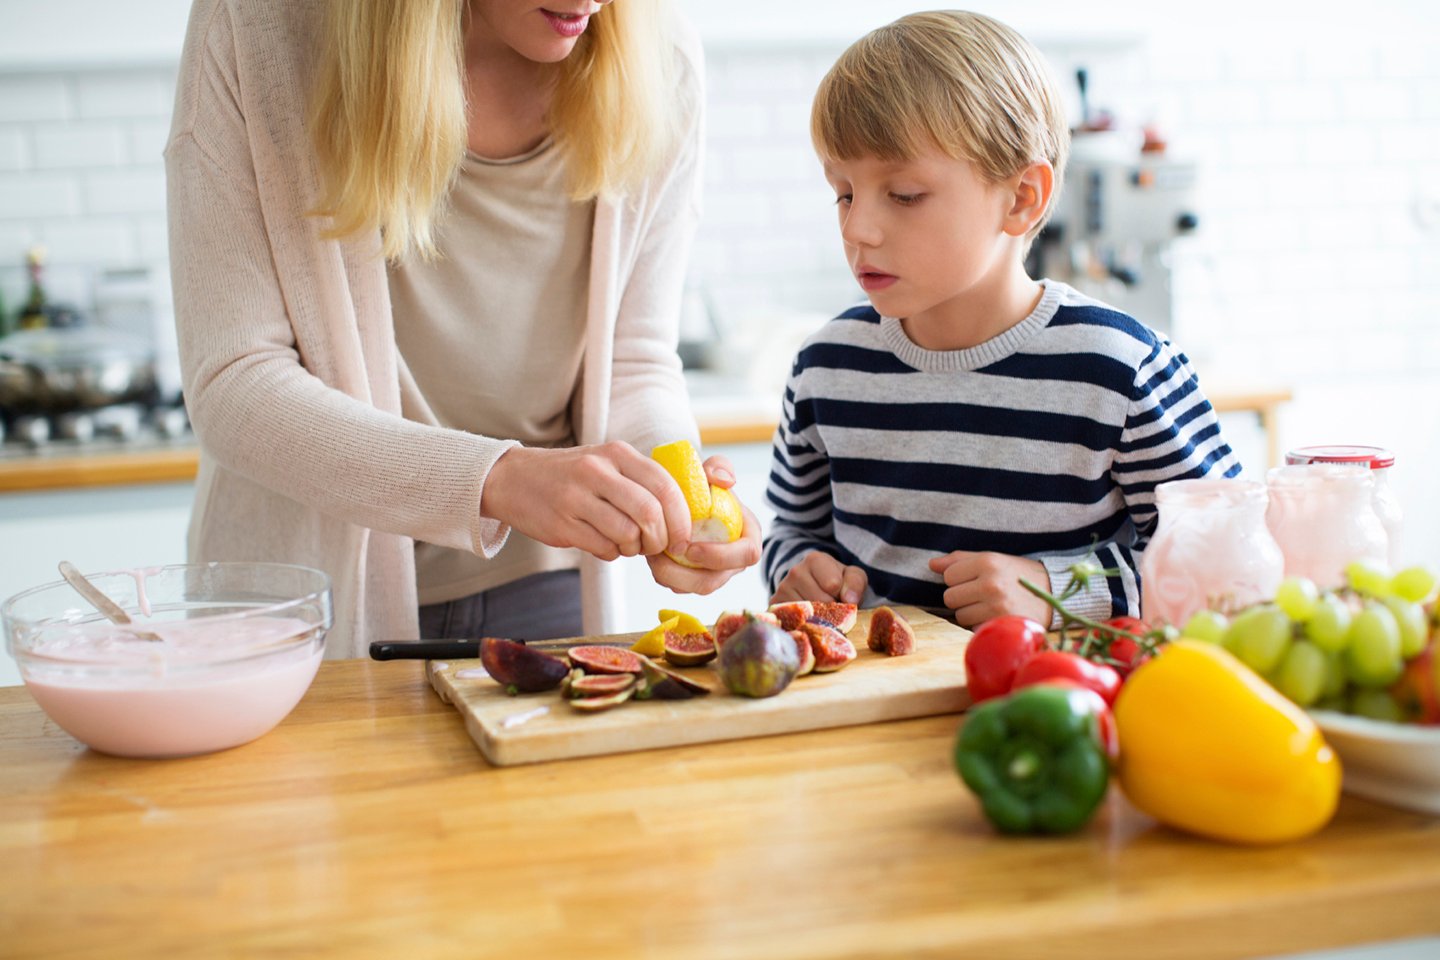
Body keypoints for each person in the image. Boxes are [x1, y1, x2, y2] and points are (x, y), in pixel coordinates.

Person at [165, 0, 760, 658]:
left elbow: (634, 361)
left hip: (546, 594)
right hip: (306, 612)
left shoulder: (656, 57)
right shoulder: (259, 29)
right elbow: (235, 383)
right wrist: (497, 480)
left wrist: (669, 493)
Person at [762, 10, 1240, 629]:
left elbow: (1224, 558)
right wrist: (796, 567)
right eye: (843, 192)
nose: (857, 230)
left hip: (1057, 709)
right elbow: (790, 528)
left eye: (904, 195)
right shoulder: (826, 366)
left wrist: (1056, 590)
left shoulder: (1119, 369)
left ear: (1021, 199)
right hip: (878, 716)